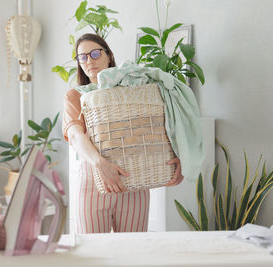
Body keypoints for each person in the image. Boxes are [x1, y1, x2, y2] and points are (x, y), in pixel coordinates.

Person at [62, 33, 184, 233]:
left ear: (109, 55)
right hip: (93, 183)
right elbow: (75, 135)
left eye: (94, 53)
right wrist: (100, 164)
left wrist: (178, 153)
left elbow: (156, 124)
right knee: (94, 255)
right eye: (82, 57)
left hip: (133, 182)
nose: (89, 61)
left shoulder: (134, 90)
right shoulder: (75, 96)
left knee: (133, 253)